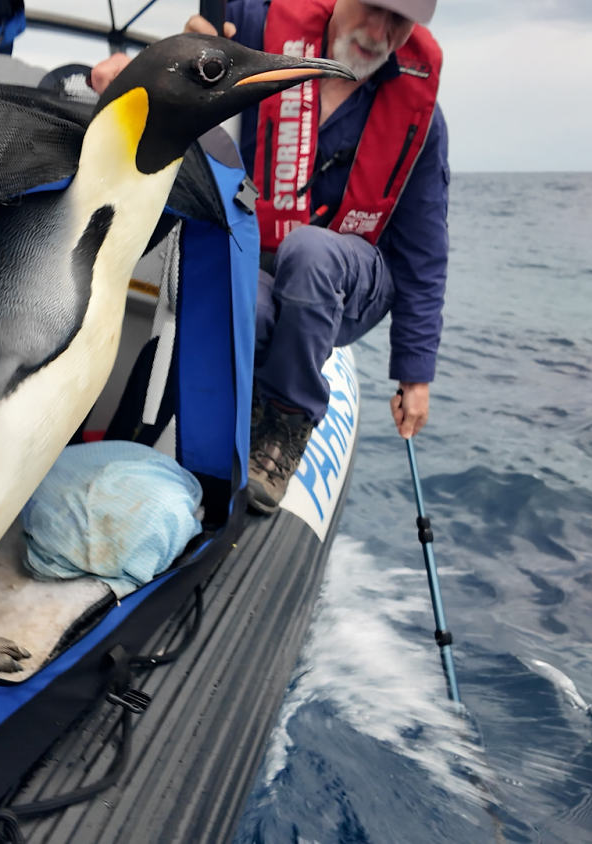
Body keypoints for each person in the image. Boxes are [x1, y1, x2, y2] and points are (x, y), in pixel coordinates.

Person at [91, 0, 448, 515]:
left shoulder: (422, 117)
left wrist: (415, 375)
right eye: (374, 9)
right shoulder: (262, 31)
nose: (382, 31)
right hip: (263, 258)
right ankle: (222, 420)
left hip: (353, 280)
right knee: (245, 304)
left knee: (311, 249)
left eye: (400, 21)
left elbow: (424, 249)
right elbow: (200, 41)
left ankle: (288, 422)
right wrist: (138, 74)